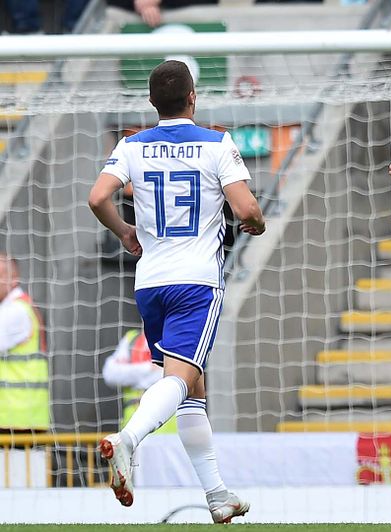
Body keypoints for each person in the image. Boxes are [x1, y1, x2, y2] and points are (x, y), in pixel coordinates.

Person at [88, 60, 265, 523]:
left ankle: (217, 495)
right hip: (195, 281)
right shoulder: (216, 143)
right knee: (183, 379)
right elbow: (246, 207)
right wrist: (256, 222)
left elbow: (96, 197)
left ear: (152, 103)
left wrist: (125, 231)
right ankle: (128, 439)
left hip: (149, 282)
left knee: (192, 390)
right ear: (193, 98)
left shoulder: (131, 145)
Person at [0, 253, 48, 433]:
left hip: (16, 419)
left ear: (14, 279)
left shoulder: (15, 311)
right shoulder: (16, 307)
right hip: (18, 417)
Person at [102, 329, 177, 434]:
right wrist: (148, 368)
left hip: (170, 431)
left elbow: (174, 376)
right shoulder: (131, 338)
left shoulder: (177, 337)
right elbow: (110, 374)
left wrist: (131, 373)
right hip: (133, 428)